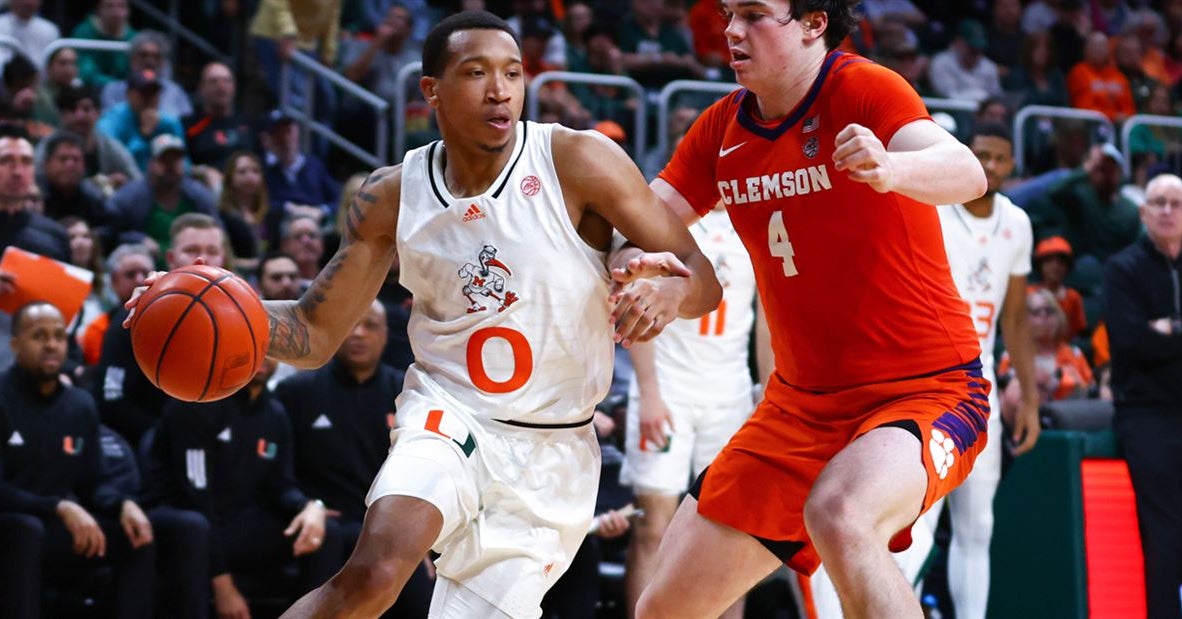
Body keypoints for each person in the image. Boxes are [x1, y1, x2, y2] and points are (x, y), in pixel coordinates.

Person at [128, 10, 720, 617]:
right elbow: (313, 331)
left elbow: (701, 276)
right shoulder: (391, 195)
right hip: (448, 415)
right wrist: (193, 300)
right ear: (430, 89)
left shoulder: (579, 161)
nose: (500, 90)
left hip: (553, 450)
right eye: (476, 72)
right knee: (374, 570)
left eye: (513, 73)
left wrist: (672, 294)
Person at [631, 1, 991, 617]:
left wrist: (890, 166)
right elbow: (639, 220)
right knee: (663, 608)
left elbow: (967, 171)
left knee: (842, 515)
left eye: (753, 14)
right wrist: (644, 268)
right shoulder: (722, 129)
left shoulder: (861, 87)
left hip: (925, 391)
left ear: (813, 23)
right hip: (797, 410)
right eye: (727, 13)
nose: (731, 31)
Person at [814, 122, 1041, 619]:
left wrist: (1028, 394)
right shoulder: (928, 203)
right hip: (929, 386)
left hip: (980, 393)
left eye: (1000, 158)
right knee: (911, 524)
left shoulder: (1017, 223)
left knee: (978, 525)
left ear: (1013, 165)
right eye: (981, 154)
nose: (990, 166)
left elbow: (1018, 318)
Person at [621, 204, 761, 619]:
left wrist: (771, 394)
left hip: (730, 392)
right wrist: (648, 392)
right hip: (668, 389)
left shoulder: (755, 214)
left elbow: (770, 320)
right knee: (652, 528)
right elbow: (638, 296)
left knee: (733, 533)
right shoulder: (668, 214)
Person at [141, 357, 341, 618]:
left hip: (234, 525)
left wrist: (310, 506)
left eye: (271, 349)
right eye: (255, 348)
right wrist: (223, 584)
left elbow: (281, 486)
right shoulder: (196, 401)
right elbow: (195, 497)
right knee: (194, 527)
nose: (263, 356)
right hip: (174, 519)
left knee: (326, 533)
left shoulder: (275, 413)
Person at [276, 299, 434, 616]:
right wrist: (306, 505)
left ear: (386, 334)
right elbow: (278, 475)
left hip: (386, 528)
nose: (359, 334)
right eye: (350, 325)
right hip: (321, 524)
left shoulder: (407, 392)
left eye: (371, 325)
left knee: (424, 595)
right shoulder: (296, 391)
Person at [0, 301, 155, 619]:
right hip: (13, 522)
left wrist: (122, 504)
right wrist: (59, 506)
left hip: (55, 523)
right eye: (39, 336)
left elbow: (93, 481)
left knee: (137, 534)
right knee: (27, 530)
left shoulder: (80, 403)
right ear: (15, 345)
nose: (52, 344)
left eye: (59, 336)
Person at [1102, 172, 1182, 619]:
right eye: (1159, 202)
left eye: (1176, 202)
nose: (1168, 210)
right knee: (1163, 534)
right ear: (1143, 211)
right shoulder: (1122, 268)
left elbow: (1154, 340)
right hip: (1146, 415)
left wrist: (1169, 330)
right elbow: (1132, 341)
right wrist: (1156, 336)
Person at [97, 213, 227, 446]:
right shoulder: (139, 313)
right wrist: (165, 431)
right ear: (171, 258)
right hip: (155, 443)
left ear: (224, 258)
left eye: (213, 251)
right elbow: (111, 399)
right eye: (191, 250)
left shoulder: (243, 315)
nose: (202, 259)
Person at [1029, 236, 1088, 337]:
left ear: (1067, 266)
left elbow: (1076, 331)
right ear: (1039, 266)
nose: (1054, 266)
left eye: (1060, 262)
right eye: (1048, 261)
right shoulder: (1028, 294)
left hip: (1062, 348)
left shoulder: (1073, 297)